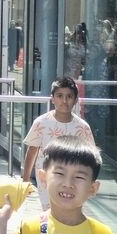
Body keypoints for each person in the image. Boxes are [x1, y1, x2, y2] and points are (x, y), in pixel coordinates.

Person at [22, 77, 97, 208]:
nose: (64, 101)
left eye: (69, 96)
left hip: (74, 180)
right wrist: (25, 180)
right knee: (48, 210)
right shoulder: (41, 122)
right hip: (47, 177)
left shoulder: (82, 127)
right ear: (52, 98)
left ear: (75, 100)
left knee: (69, 210)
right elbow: (32, 150)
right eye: (60, 96)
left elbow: (92, 157)